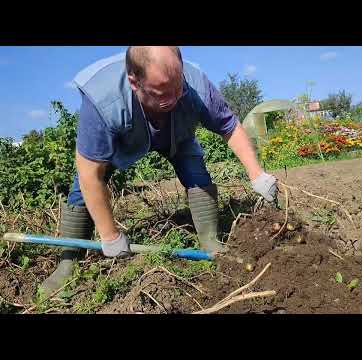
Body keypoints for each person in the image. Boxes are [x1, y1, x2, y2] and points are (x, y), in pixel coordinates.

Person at [39, 46, 278, 296]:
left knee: (196, 173)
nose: (172, 99)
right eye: (160, 93)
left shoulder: (195, 84)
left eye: (176, 89)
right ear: (134, 81)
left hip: (178, 134)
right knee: (81, 190)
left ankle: (209, 240)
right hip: (123, 140)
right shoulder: (103, 99)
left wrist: (257, 174)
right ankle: (68, 262)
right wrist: (109, 235)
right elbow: (90, 175)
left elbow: (229, 126)